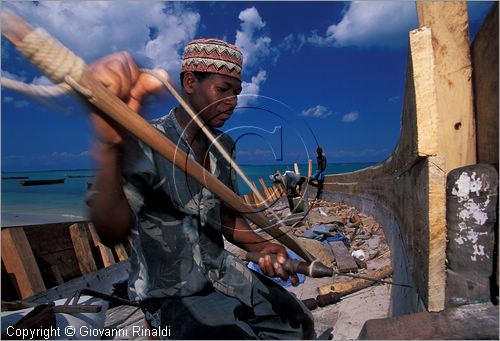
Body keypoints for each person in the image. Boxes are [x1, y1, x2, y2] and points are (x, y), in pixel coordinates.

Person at [87, 38, 314, 339]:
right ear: (191, 82)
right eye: (223, 90)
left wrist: (262, 247)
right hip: (170, 294)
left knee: (301, 324)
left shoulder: (224, 146)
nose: (232, 102)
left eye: (236, 92)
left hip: (223, 272)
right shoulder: (144, 139)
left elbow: (227, 216)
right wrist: (110, 146)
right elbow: (109, 229)